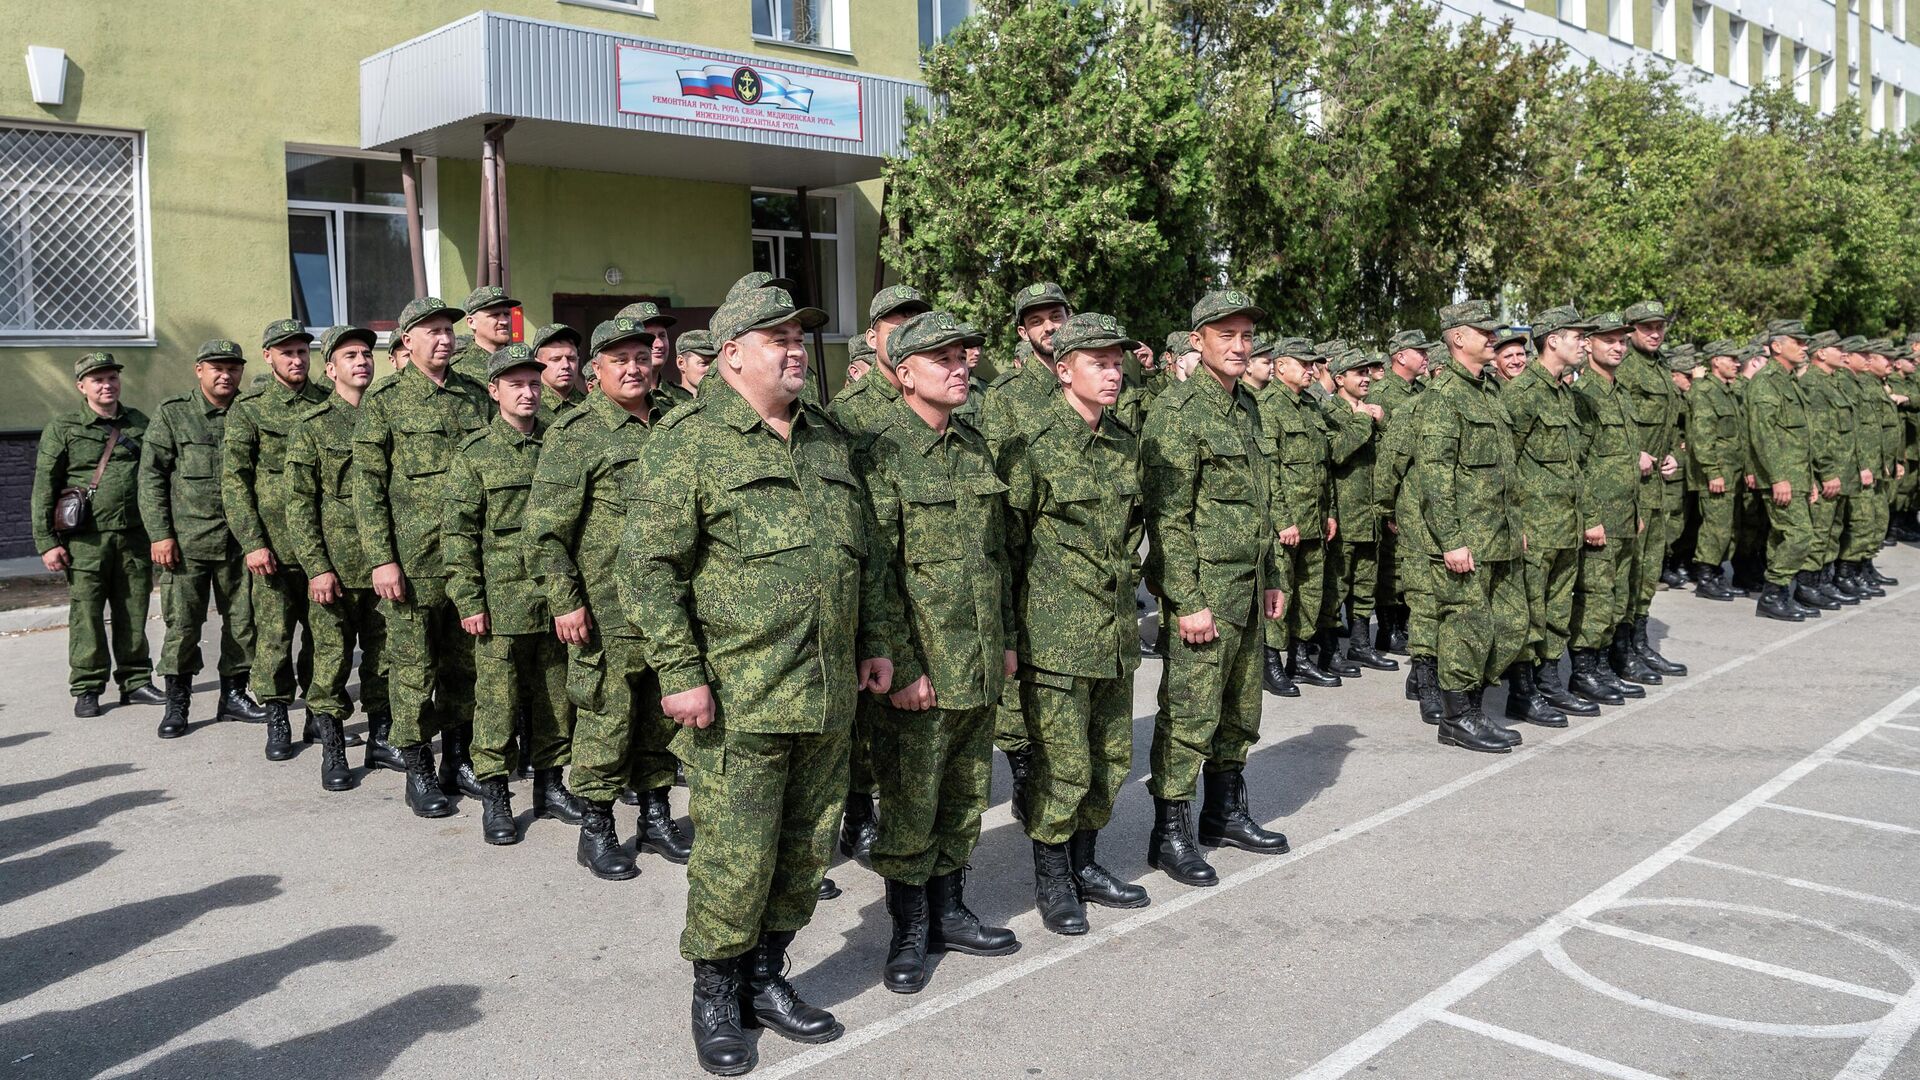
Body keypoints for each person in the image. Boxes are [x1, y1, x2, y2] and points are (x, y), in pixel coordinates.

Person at [622, 286, 893, 1075]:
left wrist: (874, 641)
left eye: (801, 336)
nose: (796, 348)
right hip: (740, 695)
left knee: (806, 851)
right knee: (736, 858)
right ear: (732, 352)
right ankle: (715, 995)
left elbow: (861, 553)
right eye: (777, 337)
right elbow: (645, 565)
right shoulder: (691, 441)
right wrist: (679, 671)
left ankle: (767, 977)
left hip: (826, 691)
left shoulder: (824, 440)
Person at [854, 309, 1020, 993]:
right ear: (904, 371)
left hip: (977, 659)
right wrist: (906, 665)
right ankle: (908, 928)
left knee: (963, 796)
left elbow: (995, 558)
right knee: (910, 806)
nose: (961, 367)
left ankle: (950, 909)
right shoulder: (880, 449)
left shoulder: (973, 445)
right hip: (920, 667)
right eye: (942, 358)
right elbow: (876, 569)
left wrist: (1006, 640)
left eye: (964, 356)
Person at [1001, 313, 1152, 935]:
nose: (1113, 373)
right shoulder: (1033, 446)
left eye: (1118, 362)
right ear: (1064, 370)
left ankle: (1087, 865)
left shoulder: (1122, 443)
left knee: (1110, 759)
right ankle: (1054, 879)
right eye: (1098, 363)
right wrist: (1010, 638)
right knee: (1062, 766)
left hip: (1113, 633)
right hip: (1055, 636)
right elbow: (1005, 548)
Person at [527, 317, 687, 878]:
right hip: (605, 609)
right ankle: (597, 826)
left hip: (670, 605)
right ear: (596, 370)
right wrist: (566, 599)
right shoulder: (577, 434)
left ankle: (656, 816)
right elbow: (545, 530)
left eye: (641, 356)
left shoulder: (676, 423)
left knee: (661, 716)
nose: (634, 367)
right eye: (619, 359)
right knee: (606, 718)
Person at [1140, 288, 1289, 888]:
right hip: (1206, 596)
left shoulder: (1249, 408)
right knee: (1188, 714)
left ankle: (1224, 812)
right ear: (1197, 341)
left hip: (1248, 589)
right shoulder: (1177, 414)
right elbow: (1168, 519)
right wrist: (1187, 600)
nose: (1239, 345)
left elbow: (1264, 500)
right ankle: (1168, 834)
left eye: (1246, 335)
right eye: (1225, 335)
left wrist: (1274, 575)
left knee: (1239, 708)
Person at [353, 296, 491, 817]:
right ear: (406, 340)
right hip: (412, 562)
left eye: (448, 330)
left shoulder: (474, 396)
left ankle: (459, 760)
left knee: (464, 667)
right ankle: (418, 768)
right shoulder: (385, 399)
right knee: (412, 668)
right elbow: (367, 488)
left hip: (468, 562)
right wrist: (381, 559)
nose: (444, 338)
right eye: (431, 330)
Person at [826, 284, 933, 867]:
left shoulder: (944, 406)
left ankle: (897, 824)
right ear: (873, 338)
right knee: (866, 721)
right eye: (896, 326)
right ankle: (859, 811)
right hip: (869, 591)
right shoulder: (847, 415)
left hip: (929, 598)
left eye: (920, 322)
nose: (909, 333)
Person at [139, 338, 269, 738]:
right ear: (199, 370)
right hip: (187, 543)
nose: (225, 374)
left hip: (239, 542)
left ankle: (233, 695)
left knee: (243, 624)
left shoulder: (250, 412)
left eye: (232, 368)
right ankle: (178, 703)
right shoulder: (174, 414)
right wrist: (160, 534)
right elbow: (151, 477)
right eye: (216, 367)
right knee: (182, 627)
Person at [285, 325, 395, 788]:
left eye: (367, 354)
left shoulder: (389, 416)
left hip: (386, 565)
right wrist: (317, 567)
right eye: (350, 355)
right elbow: (299, 504)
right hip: (336, 566)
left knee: (385, 657)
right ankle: (332, 748)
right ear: (330, 369)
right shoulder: (311, 427)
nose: (362, 361)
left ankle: (381, 740)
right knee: (330, 660)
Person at [1416, 300, 1527, 753]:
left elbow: (1504, 471)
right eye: (1485, 331)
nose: (1493, 339)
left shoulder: (1489, 392)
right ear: (1458, 337)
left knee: (1510, 623)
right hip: (1466, 541)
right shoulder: (1444, 398)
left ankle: (1475, 707)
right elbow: (1435, 477)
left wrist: (1515, 525)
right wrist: (1452, 540)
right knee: (1467, 625)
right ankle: (1458, 716)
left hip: (1499, 535)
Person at [32, 352, 162, 717]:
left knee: (133, 609)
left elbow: (157, 476)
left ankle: (135, 681)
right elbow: (45, 487)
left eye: (112, 378)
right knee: (86, 613)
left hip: (133, 536)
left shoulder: (138, 422)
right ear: (82, 386)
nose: (107, 385)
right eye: (98, 379)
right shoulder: (64, 427)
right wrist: (47, 542)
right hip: (85, 541)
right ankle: (87, 687)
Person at [222, 320, 329, 760]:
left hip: (323, 546)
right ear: (268, 356)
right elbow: (234, 481)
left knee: (324, 637)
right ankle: (278, 714)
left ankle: (319, 714)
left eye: (302, 351)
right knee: (274, 636)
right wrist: (252, 542)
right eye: (286, 352)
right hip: (274, 548)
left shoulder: (325, 402)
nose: (297, 359)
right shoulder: (250, 409)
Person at [1500, 308, 1595, 727]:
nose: (1585, 344)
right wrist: (1514, 524)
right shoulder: (1522, 394)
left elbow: (1575, 466)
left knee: (1557, 608)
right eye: (1579, 336)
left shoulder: (1564, 394)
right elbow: (1506, 464)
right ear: (1553, 340)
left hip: (1565, 525)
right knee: (1529, 610)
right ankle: (1521, 692)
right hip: (1534, 528)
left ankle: (1549, 680)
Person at [1567, 312, 1648, 700]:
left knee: (1617, 594)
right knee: (1596, 596)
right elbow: (1576, 463)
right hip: (1599, 517)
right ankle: (1585, 670)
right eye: (1609, 341)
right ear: (1589, 345)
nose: (1618, 347)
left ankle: (1604, 664)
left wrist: (1636, 511)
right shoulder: (1584, 397)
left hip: (1624, 514)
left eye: (1622, 341)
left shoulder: (1620, 394)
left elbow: (1626, 459)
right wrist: (1590, 517)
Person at [1258, 338, 1340, 689]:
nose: (1311, 370)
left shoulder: (1310, 405)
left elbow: (1325, 466)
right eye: (1303, 364)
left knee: (1310, 590)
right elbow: (1268, 468)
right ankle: (1271, 661)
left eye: (1313, 365)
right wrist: (1281, 520)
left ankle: (1300, 657)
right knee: (1282, 591)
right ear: (1280, 366)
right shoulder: (1267, 406)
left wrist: (1330, 512)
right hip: (1287, 522)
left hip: (1314, 518)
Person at [1617, 301, 1688, 678]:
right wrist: (1635, 454)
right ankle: (1621, 649)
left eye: (1659, 326)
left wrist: (1673, 454)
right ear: (1630, 331)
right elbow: (1614, 425)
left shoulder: (1661, 367)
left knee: (1648, 571)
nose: (1655, 333)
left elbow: (1671, 425)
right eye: (1647, 328)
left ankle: (1639, 644)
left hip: (1656, 485)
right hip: (1629, 487)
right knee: (1627, 571)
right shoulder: (1624, 369)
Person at [1324, 350, 1396, 674]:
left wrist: (1382, 422)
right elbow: (1336, 453)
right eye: (1358, 373)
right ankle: (1328, 649)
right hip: (1344, 513)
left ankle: (1360, 644)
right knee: (1336, 585)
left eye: (1368, 372)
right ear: (1340, 379)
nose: (1366, 378)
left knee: (1365, 584)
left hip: (1371, 513)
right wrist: (1363, 419)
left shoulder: (1372, 412)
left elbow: (1392, 452)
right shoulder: (1330, 412)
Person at [1745, 320, 1821, 621]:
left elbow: (1800, 437)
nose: (1804, 347)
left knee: (1782, 538)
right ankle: (1773, 593)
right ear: (1777, 346)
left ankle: (1780, 595)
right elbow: (1764, 435)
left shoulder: (1789, 380)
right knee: (1800, 535)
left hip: (1797, 474)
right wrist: (1778, 477)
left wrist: (1811, 479)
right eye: (1798, 341)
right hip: (1782, 475)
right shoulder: (1766, 381)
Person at [1687, 341, 1747, 600]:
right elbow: (1702, 436)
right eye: (1731, 358)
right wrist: (1712, 471)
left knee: (1729, 527)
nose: (1736, 363)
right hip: (1717, 472)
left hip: (1732, 471)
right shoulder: (1706, 391)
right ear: (1715, 361)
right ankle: (1706, 577)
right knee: (1716, 527)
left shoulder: (1728, 391)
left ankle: (1718, 573)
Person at [450, 286, 520, 383]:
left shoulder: (521, 362)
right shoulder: (457, 370)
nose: (504, 321)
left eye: (507, 314)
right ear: (471, 322)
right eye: (495, 315)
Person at [530, 323, 587, 417]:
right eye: (556, 359)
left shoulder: (590, 406)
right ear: (538, 364)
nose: (565, 365)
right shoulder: (528, 408)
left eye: (571, 359)